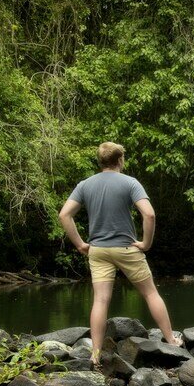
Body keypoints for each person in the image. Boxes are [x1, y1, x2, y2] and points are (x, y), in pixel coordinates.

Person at [57, 141, 182, 366]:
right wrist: (145, 243)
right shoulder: (130, 183)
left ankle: (95, 354)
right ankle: (171, 339)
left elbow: (65, 215)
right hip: (126, 248)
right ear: (120, 160)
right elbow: (150, 215)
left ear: (100, 161)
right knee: (151, 294)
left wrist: (79, 244)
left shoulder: (85, 185)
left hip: (98, 250)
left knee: (101, 300)